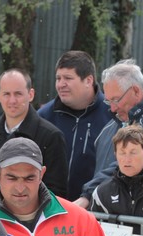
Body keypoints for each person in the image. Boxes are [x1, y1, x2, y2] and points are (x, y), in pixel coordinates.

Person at [0, 68, 68, 197]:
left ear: (30, 94)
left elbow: (56, 193)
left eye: (18, 94)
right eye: (6, 94)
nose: (12, 101)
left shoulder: (51, 137)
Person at [74, 59, 143, 208]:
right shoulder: (109, 127)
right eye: (108, 101)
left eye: (116, 100)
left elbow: (123, 165)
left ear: (136, 91)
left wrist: (87, 195)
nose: (112, 108)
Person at [37, 50, 112, 200]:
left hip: (94, 211)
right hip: (49, 209)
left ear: (88, 80)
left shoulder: (112, 116)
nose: (61, 84)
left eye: (68, 78)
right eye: (58, 78)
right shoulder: (43, 116)